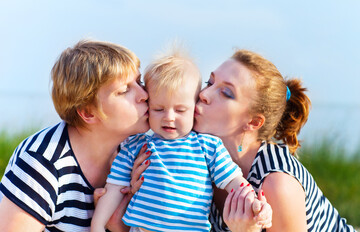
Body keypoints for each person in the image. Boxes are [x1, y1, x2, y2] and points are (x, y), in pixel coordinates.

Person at [91, 47, 272, 232]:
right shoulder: (135, 146)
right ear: (148, 107)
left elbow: (235, 181)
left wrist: (257, 205)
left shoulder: (208, 147)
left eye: (180, 110)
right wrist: (96, 226)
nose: (169, 117)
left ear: (194, 108)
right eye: (158, 109)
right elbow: (113, 189)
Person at [192, 49, 357, 231]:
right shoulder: (195, 154)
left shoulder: (277, 184)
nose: (204, 94)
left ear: (253, 122)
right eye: (210, 82)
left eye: (226, 93)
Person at [0, 40, 151, 231]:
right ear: (88, 113)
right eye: (124, 91)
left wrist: (117, 225)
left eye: (139, 82)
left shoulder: (134, 153)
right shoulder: (43, 163)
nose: (144, 94)